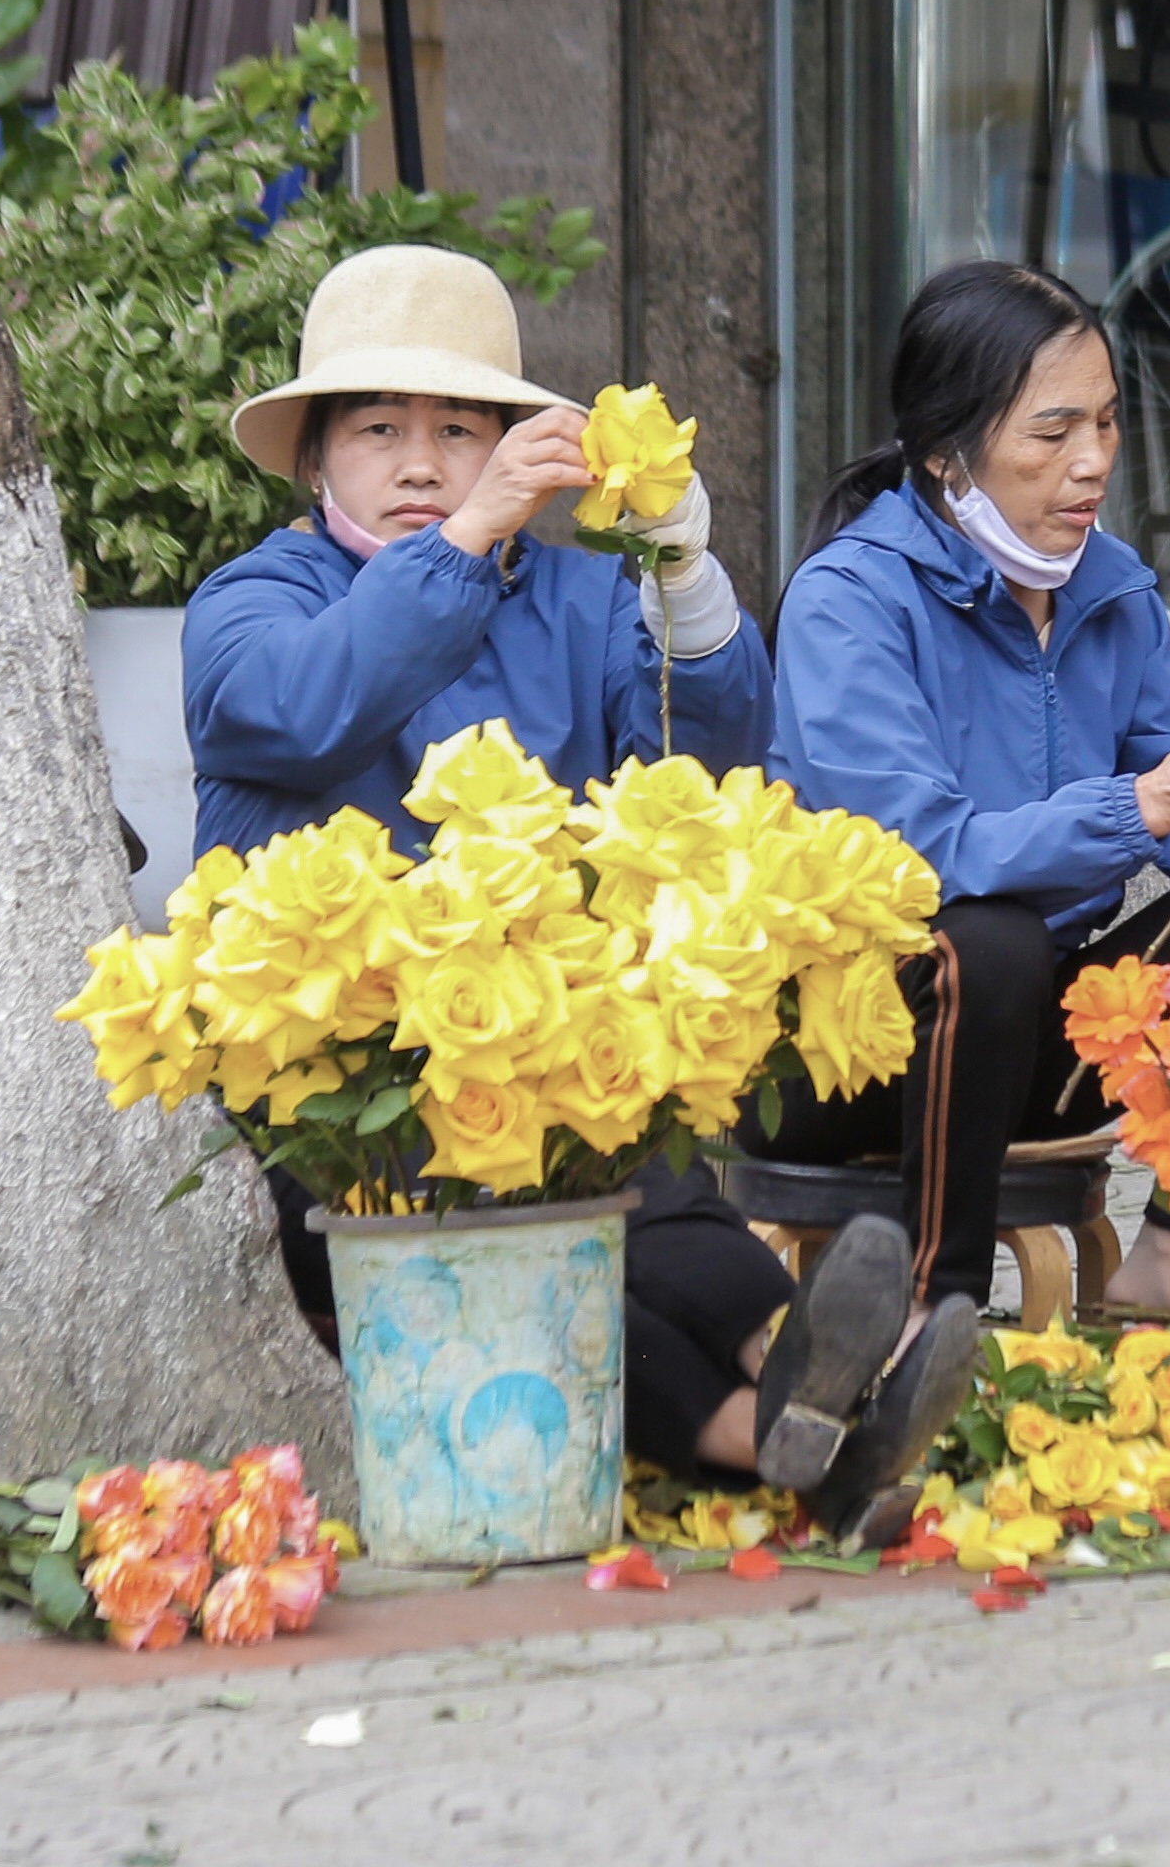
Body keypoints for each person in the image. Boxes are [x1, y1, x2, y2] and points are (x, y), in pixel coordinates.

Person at [187, 245, 976, 1518]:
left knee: (662, 1208)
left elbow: (700, 766)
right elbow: (291, 707)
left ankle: (825, 1382)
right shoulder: (252, 599)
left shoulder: (576, 594)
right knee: (525, 1261)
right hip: (350, 1082)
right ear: (312, 457)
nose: (421, 461)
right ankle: (791, 1443)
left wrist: (687, 582)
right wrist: (472, 534)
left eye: (460, 429)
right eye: (378, 428)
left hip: (550, 1041)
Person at [767, 261, 1170, 1461]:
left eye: (1104, 423)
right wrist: (1145, 802)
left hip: (1038, 1025)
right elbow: (922, 856)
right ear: (947, 451)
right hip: (860, 1049)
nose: (1093, 461)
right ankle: (926, 1326)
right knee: (979, 934)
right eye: (1053, 430)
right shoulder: (847, 601)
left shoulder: (1109, 587)